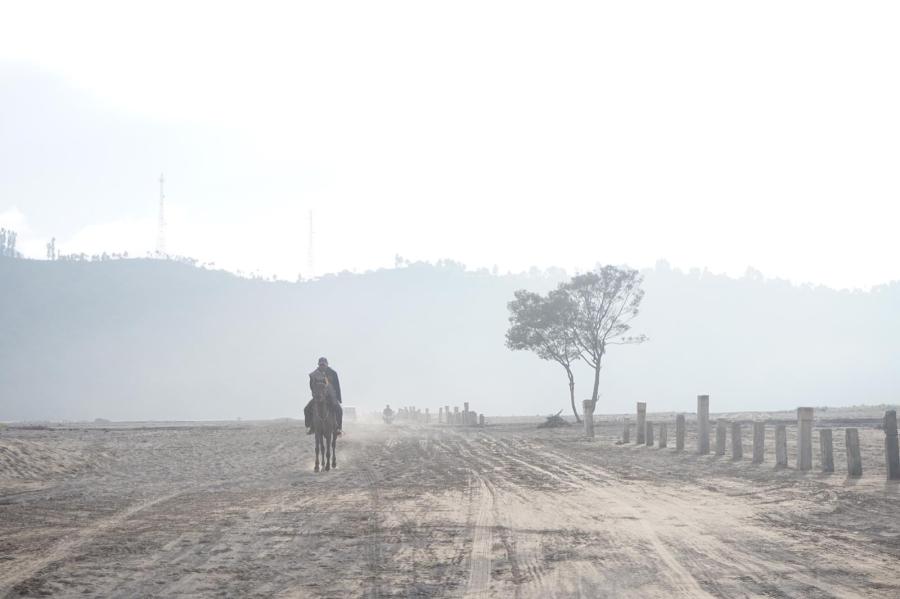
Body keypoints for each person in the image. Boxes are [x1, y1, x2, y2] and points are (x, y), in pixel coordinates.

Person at [304, 357, 343, 435]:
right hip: (318, 396)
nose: (323, 366)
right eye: (321, 365)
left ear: (327, 365)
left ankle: (338, 428)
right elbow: (311, 386)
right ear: (318, 365)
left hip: (331, 397)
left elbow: (337, 386)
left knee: (339, 410)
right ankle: (311, 427)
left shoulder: (333, 373)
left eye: (324, 365)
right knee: (306, 409)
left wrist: (338, 398)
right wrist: (315, 394)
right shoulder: (314, 374)